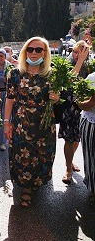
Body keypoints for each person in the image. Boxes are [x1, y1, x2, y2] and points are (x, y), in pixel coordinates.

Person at [4, 37, 60, 208]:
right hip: (22, 124)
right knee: (23, 156)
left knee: (43, 154)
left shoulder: (52, 74)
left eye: (38, 50)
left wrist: (56, 98)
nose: (34, 53)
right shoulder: (15, 74)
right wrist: (7, 122)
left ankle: (36, 182)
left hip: (44, 124)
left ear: (45, 53)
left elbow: (55, 100)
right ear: (24, 52)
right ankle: (25, 189)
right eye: (30, 49)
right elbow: (10, 100)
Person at [58, 40, 91, 184]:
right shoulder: (68, 63)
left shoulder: (89, 66)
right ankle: (68, 169)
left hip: (85, 107)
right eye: (76, 51)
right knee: (68, 138)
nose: (78, 55)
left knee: (77, 138)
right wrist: (80, 61)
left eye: (82, 52)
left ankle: (70, 162)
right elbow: (69, 80)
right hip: (70, 106)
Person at [77, 71, 95, 202]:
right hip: (91, 123)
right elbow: (80, 103)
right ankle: (93, 190)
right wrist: (92, 100)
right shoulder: (92, 78)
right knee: (91, 158)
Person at [0, 48, 12, 151]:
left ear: (5, 57)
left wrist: (7, 82)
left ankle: (3, 141)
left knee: (5, 116)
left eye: (1, 56)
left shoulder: (9, 67)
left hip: (6, 94)